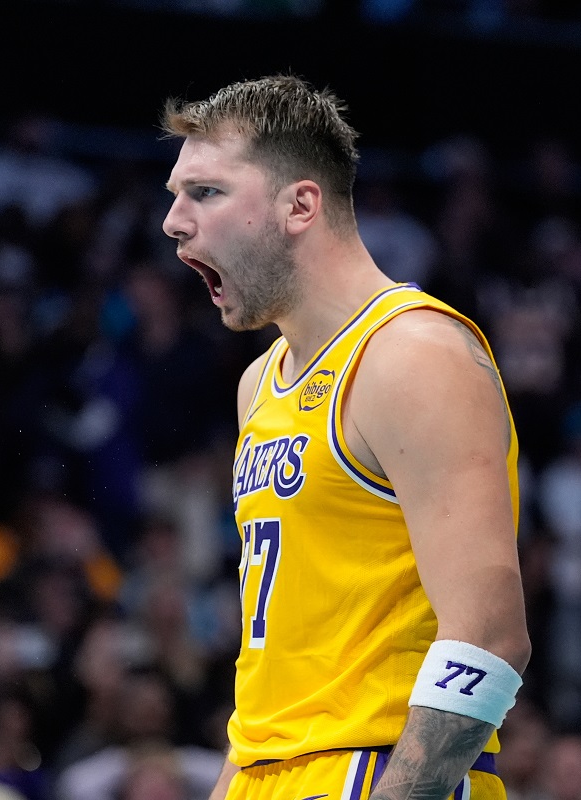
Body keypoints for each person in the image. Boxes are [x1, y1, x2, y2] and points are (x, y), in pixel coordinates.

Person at [159, 75, 530, 800]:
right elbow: (274, 667)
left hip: (374, 766)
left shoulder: (413, 354)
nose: (173, 221)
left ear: (300, 205)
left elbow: (489, 633)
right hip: (267, 771)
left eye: (205, 193)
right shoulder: (258, 383)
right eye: (175, 195)